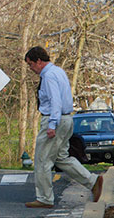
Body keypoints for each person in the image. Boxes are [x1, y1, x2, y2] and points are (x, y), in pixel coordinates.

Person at [24, 46, 103, 208]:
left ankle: (44, 198)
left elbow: (55, 101)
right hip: (67, 119)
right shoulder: (59, 71)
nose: (31, 68)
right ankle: (92, 181)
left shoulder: (49, 77)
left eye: (31, 64)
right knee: (61, 158)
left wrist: (52, 124)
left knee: (42, 160)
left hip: (55, 120)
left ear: (39, 61)